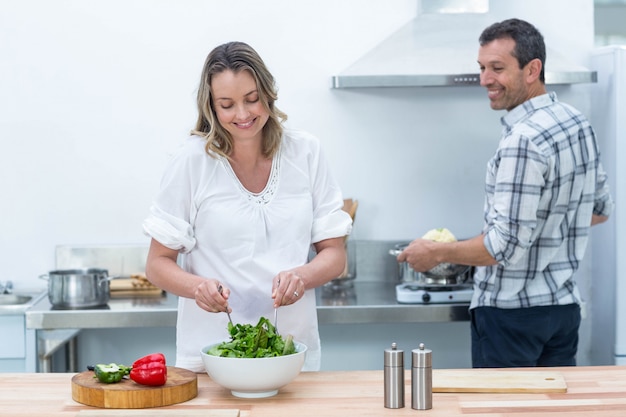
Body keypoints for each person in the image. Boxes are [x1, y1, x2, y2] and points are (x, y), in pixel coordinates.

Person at [397, 18, 614, 368]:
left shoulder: (522, 140)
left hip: (512, 317)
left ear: (533, 69)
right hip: (562, 311)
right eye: (482, 67)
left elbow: (505, 246)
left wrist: (435, 252)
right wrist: (544, 229)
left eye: (497, 68)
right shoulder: (576, 123)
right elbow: (600, 209)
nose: (485, 79)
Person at [142, 41, 352, 372]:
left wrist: (302, 275)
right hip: (211, 358)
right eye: (227, 105)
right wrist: (198, 287)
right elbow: (157, 264)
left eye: (252, 99)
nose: (242, 115)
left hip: (291, 355)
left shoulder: (306, 153)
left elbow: (335, 255)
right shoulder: (191, 162)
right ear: (211, 107)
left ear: (268, 93)